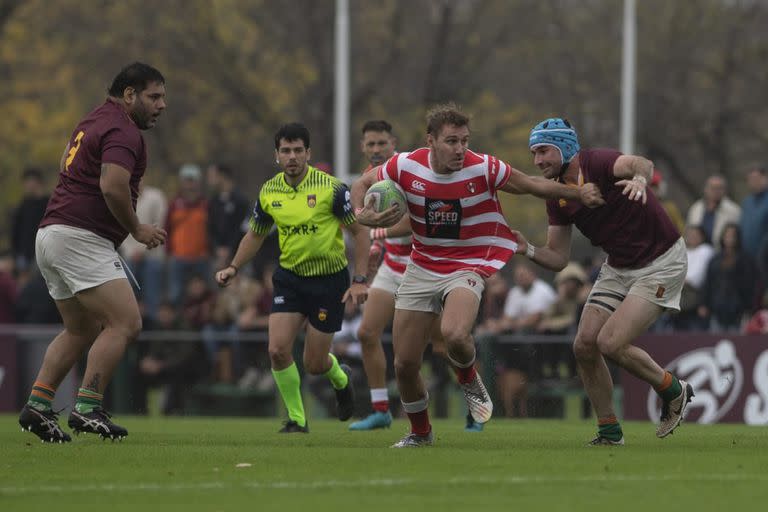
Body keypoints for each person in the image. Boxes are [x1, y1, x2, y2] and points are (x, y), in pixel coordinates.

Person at [351, 104, 604, 447]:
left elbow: (531, 184)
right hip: (423, 263)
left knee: (454, 334)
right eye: (451, 141)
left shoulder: (483, 166)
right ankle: (421, 433)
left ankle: (469, 377)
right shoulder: (404, 165)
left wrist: (578, 192)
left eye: (464, 141)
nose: (460, 149)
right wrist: (361, 214)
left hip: (469, 262)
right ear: (431, 141)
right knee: (405, 363)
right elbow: (362, 184)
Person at [516, 117, 694, 445]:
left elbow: (641, 163)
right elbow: (557, 258)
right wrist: (525, 248)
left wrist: (641, 179)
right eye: (534, 153)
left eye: (544, 151)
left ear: (565, 147)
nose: (538, 160)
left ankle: (674, 390)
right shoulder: (556, 195)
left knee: (610, 343)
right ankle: (610, 432)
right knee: (584, 345)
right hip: (619, 266)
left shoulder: (598, 162)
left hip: (662, 262)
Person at [18, 62, 167, 442]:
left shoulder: (94, 119)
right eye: (154, 96)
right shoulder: (123, 129)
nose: (161, 104)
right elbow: (113, 186)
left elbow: (64, 163)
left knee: (80, 328)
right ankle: (87, 407)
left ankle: (38, 404)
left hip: (51, 234)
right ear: (130, 94)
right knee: (126, 323)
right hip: (80, 238)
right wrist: (137, 229)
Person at [215, 122, 368, 433]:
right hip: (290, 279)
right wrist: (233, 267)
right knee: (277, 349)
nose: (292, 156)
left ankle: (341, 377)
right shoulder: (269, 191)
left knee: (315, 363)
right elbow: (255, 236)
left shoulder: (332, 188)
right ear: (277, 155)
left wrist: (360, 279)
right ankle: (297, 419)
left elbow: (359, 232)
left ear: (308, 153)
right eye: (286, 150)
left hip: (329, 281)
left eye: (298, 150)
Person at [10, 168, 50, 274]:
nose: (27, 185)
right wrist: (15, 253)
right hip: (24, 254)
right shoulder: (23, 205)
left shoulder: (48, 203)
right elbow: (16, 230)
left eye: (30, 181)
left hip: (41, 252)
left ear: (38, 182)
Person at [685, 174, 741, 248]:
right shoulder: (696, 208)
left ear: (724, 190)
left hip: (720, 254)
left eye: (719, 188)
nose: (716, 191)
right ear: (706, 189)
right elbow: (687, 233)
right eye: (712, 188)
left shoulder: (733, 210)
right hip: (698, 254)